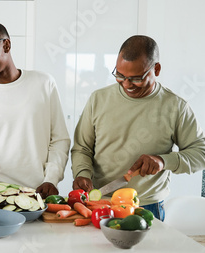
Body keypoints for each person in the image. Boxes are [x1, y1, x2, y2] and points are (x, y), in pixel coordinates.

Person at [71, 35, 205, 221]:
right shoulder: (98, 99)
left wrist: (163, 161)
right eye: (120, 75)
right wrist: (82, 173)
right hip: (101, 203)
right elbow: (82, 148)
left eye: (136, 78)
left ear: (156, 69)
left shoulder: (176, 107)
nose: (126, 84)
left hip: (148, 207)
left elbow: (201, 153)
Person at [0, 22, 71, 198]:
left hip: (38, 193)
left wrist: (51, 179)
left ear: (6, 45)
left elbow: (59, 139)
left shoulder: (44, 83)